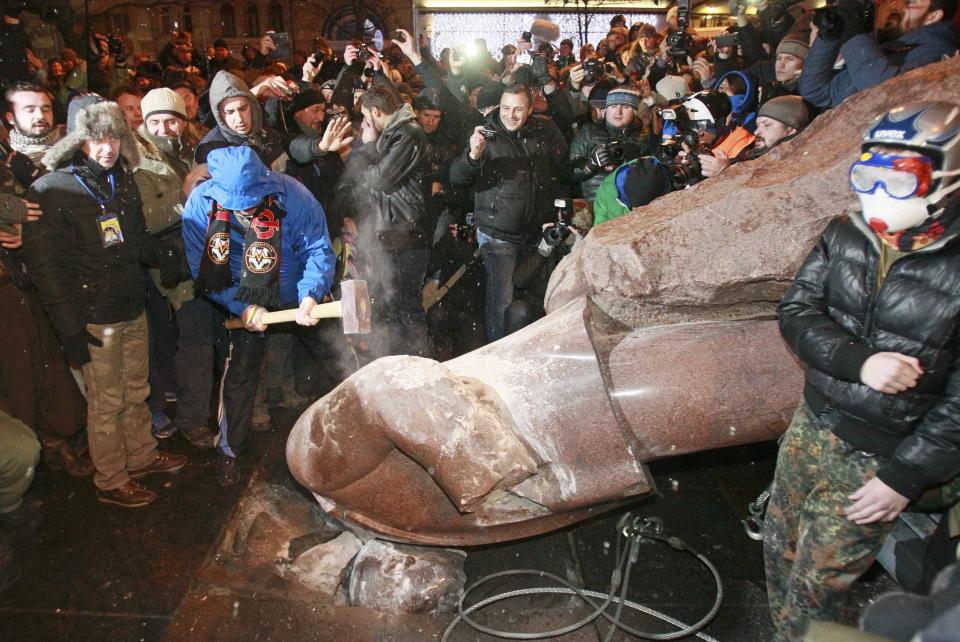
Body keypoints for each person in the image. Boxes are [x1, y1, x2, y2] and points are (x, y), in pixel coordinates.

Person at [765, 101, 960, 641]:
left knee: (818, 586)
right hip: (813, 425)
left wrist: (904, 478)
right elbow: (797, 311)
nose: (877, 193)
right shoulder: (846, 232)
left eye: (900, 179)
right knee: (779, 547)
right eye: (868, 176)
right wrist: (860, 361)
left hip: (883, 456)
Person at [22, 96, 188, 508]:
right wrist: (70, 331)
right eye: (97, 138)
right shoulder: (51, 190)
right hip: (93, 318)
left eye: (114, 136)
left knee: (136, 390)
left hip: (130, 306)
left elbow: (132, 241)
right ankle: (111, 479)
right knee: (107, 401)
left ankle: (142, 456)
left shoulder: (122, 179)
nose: (107, 147)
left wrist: (167, 257)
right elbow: (47, 270)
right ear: (79, 139)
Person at [181, 145, 335, 486]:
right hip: (245, 295)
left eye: (252, 199)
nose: (248, 209)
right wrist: (242, 307)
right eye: (239, 204)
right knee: (240, 372)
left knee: (336, 355)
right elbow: (203, 271)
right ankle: (230, 450)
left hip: (297, 289)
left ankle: (364, 430)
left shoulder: (293, 195)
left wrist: (311, 294)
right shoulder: (199, 207)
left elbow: (317, 248)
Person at [449, 84, 569, 342]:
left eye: (517, 109)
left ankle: (522, 350)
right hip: (497, 235)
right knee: (501, 299)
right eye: (505, 108)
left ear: (529, 109)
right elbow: (456, 177)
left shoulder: (542, 131)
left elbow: (560, 168)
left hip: (533, 233)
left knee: (529, 298)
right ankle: (496, 354)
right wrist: (472, 155)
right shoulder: (486, 135)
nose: (510, 115)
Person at [354, 82, 434, 356]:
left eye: (366, 117)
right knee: (396, 304)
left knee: (408, 305)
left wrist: (367, 146)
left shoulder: (408, 134)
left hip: (408, 233)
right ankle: (404, 361)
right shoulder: (395, 134)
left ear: (376, 111)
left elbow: (380, 177)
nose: (366, 124)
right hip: (395, 231)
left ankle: (421, 364)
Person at [799, 0, 958, 109]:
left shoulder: (938, 51)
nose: (896, 5)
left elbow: (884, 91)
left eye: (910, 2)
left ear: (933, 16)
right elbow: (817, 92)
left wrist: (853, 34)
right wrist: (831, 35)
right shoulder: (885, 47)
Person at [570, 86, 652, 201]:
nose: (618, 112)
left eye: (625, 106)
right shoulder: (589, 131)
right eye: (613, 106)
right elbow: (569, 173)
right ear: (606, 109)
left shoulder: (645, 135)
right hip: (597, 204)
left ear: (634, 111)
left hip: (633, 204)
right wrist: (590, 165)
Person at [4, 82, 63, 190]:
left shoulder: (74, 139)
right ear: (11, 118)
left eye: (46, 109)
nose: (40, 116)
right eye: (30, 111)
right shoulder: (6, 156)